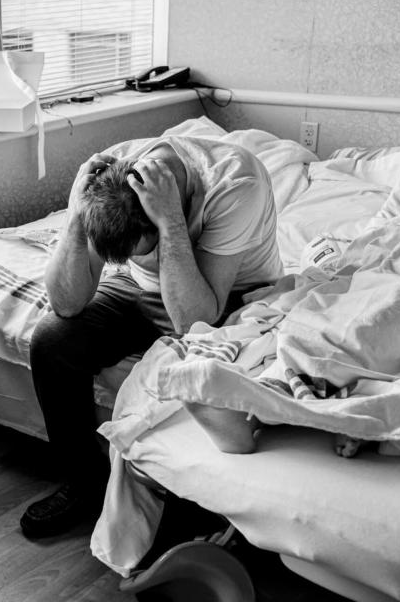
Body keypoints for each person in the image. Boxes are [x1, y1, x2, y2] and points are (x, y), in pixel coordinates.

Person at [19, 136, 282, 538]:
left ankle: (196, 513)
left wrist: (172, 223)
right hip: (141, 290)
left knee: (198, 370)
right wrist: (76, 214)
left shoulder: (236, 183)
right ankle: (85, 484)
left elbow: (195, 320)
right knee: (53, 340)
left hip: (227, 296)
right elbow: (67, 303)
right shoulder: (109, 184)